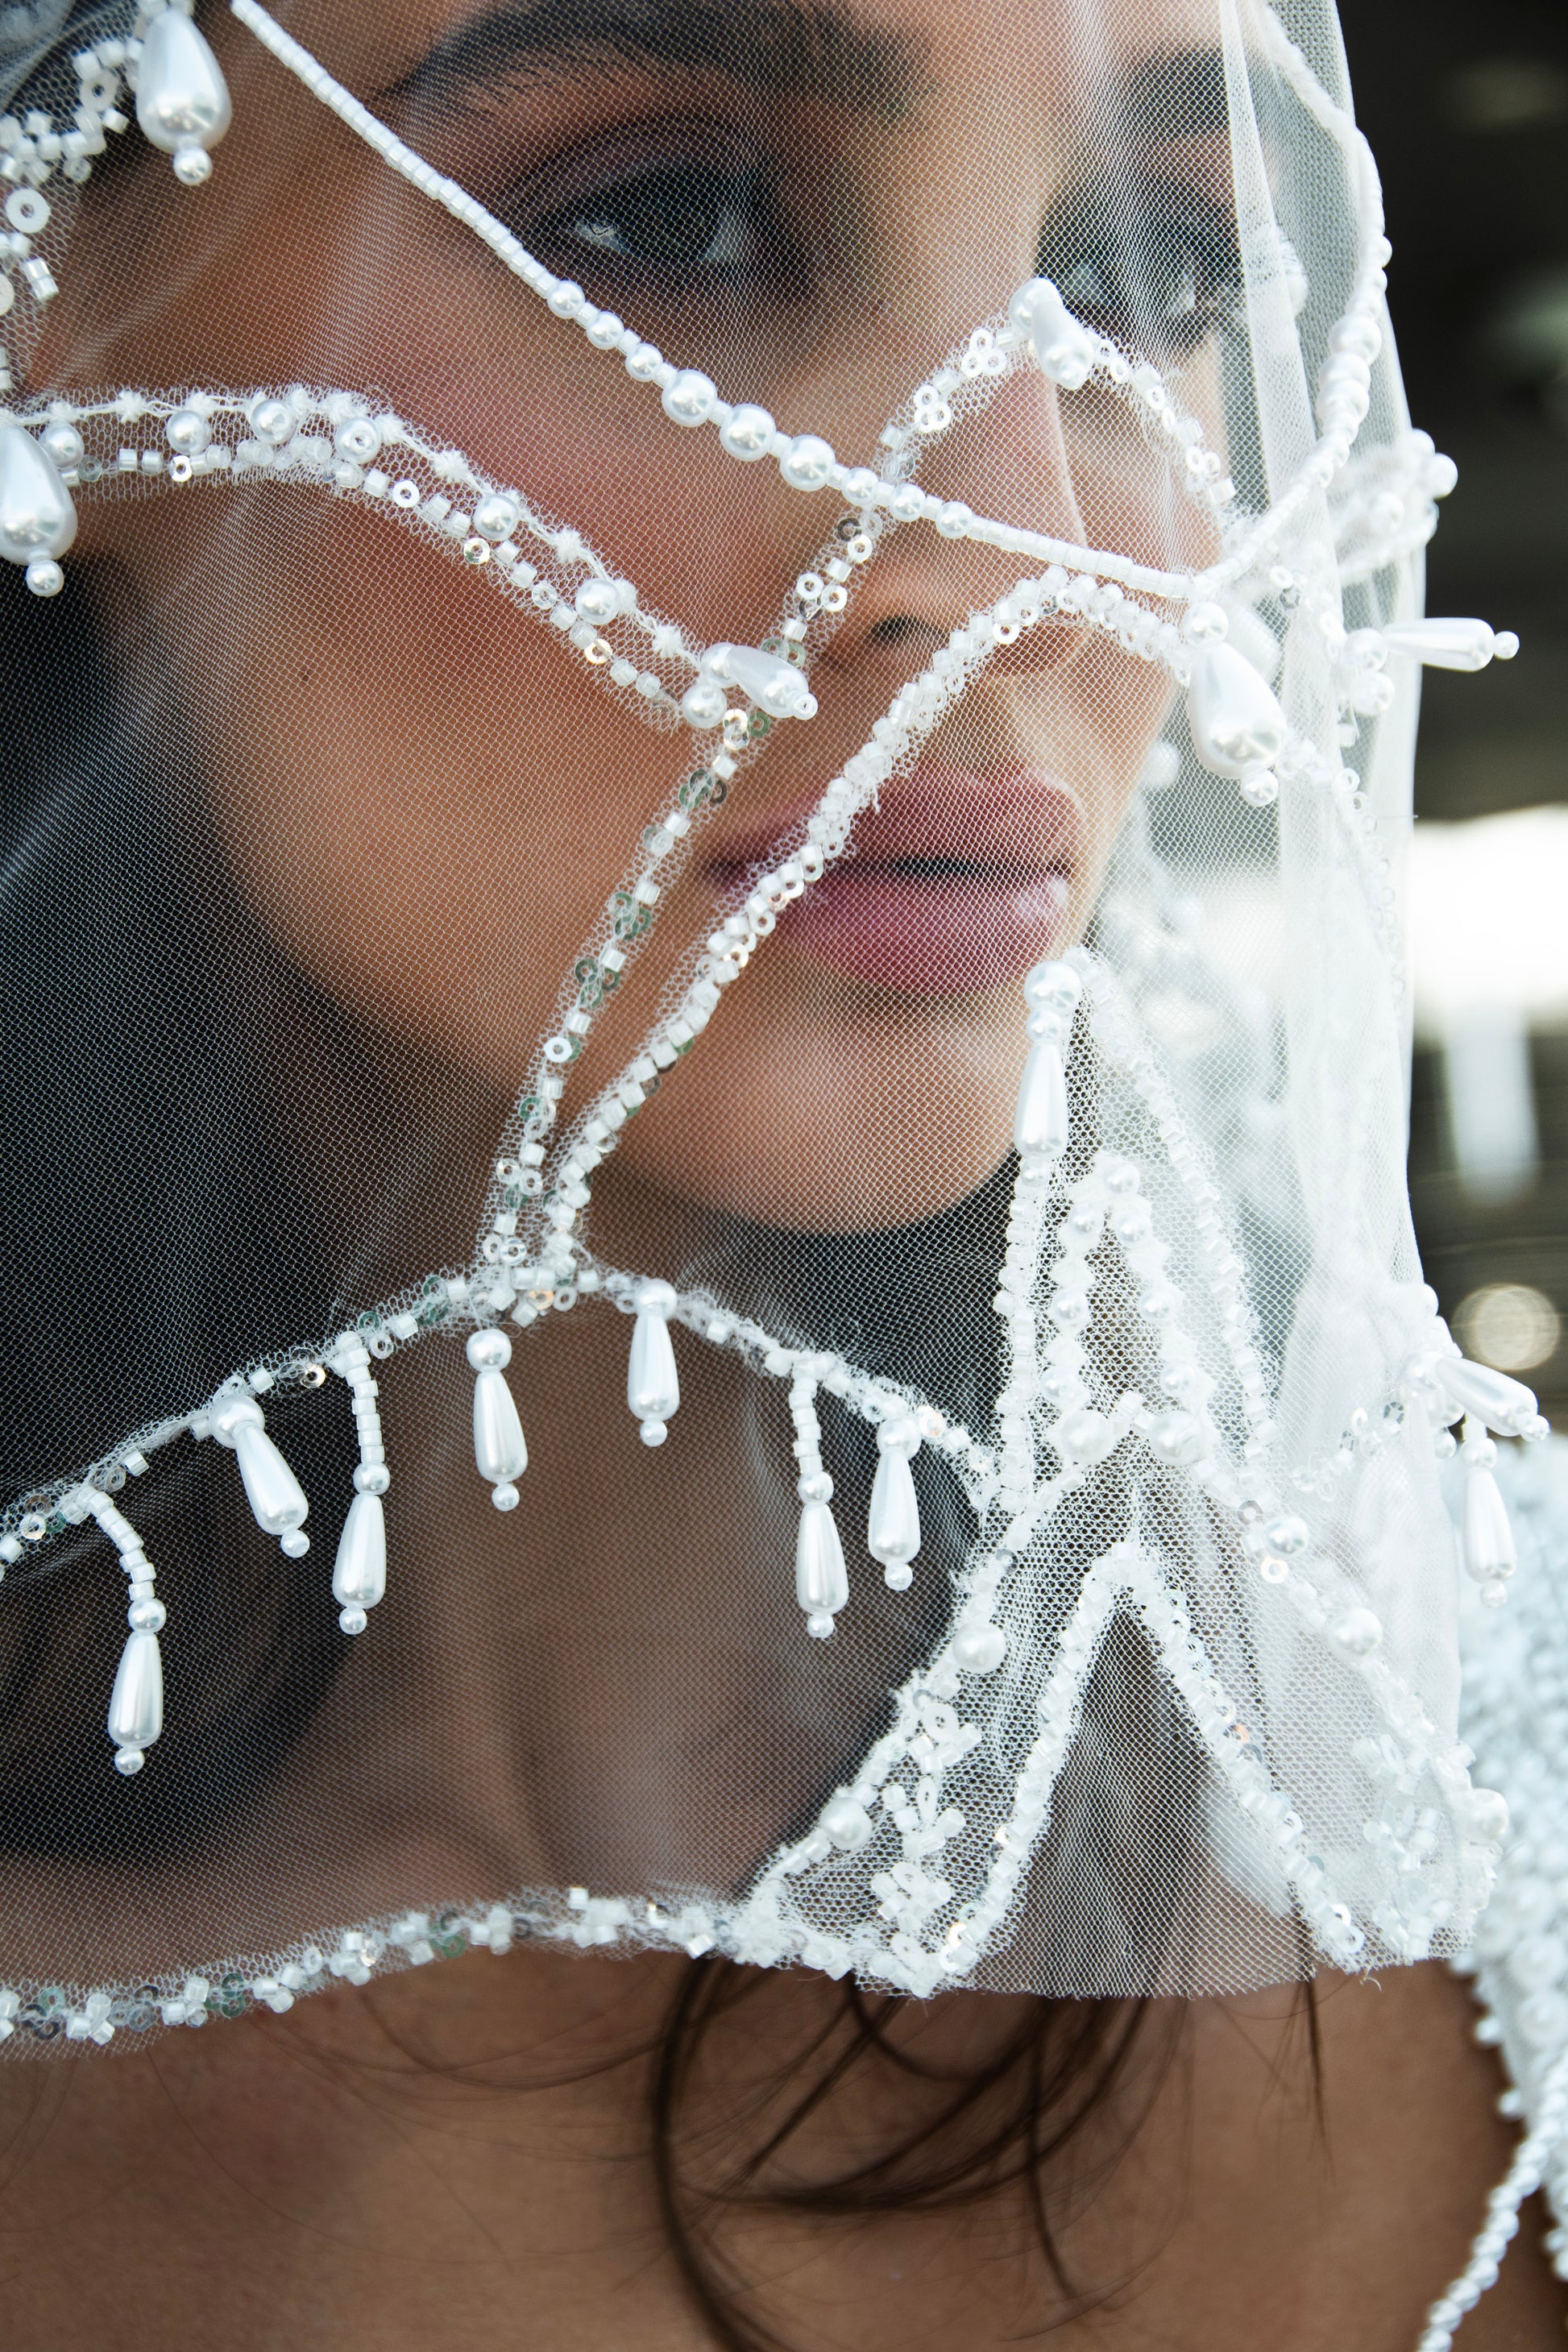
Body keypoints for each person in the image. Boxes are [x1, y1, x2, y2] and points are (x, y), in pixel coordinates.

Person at [0, 0, 1563, 2343]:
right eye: (669, 221)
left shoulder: (1485, 1818)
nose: (1029, 546)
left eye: (1147, 269)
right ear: (49, 308)